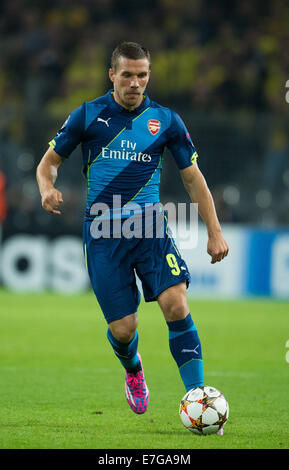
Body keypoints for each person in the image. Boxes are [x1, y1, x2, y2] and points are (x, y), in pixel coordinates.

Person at [36, 42, 229, 419]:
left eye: (142, 75)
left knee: (176, 303)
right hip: (104, 237)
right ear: (112, 75)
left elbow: (193, 180)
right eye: (127, 75)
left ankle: (198, 398)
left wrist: (214, 231)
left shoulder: (166, 120)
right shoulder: (87, 116)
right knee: (124, 329)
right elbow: (48, 164)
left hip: (150, 228)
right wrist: (47, 189)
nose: (135, 83)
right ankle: (133, 369)